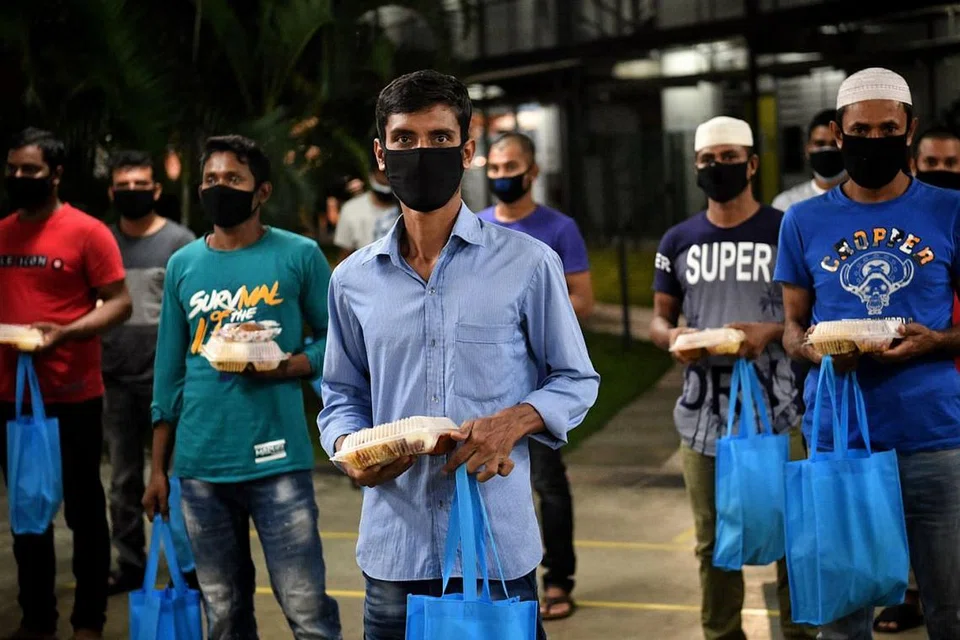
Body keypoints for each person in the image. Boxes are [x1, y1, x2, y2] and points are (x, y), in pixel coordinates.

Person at [317, 69, 600, 640]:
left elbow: (576, 378)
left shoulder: (529, 264)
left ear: (467, 151)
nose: (422, 152)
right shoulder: (351, 281)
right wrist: (349, 448)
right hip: (395, 548)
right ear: (381, 154)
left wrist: (514, 421)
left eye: (440, 138)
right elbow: (341, 394)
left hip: (494, 550)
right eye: (405, 139)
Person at [775, 67, 960, 640]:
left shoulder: (951, 209)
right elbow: (791, 327)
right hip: (839, 438)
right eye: (860, 130)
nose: (874, 140)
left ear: (910, 130)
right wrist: (818, 351)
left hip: (935, 438)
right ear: (838, 132)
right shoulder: (802, 220)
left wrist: (936, 341)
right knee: (843, 618)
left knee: (951, 610)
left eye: (887, 130)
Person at [143, 135, 342, 640]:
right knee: (224, 615)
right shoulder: (184, 264)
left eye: (233, 178)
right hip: (200, 466)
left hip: (278, 460)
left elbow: (339, 341)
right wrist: (159, 470)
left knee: (306, 610)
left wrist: (288, 365)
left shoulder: (299, 255)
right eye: (211, 179)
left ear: (262, 191)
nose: (220, 187)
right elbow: (169, 373)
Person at [650, 116, 815, 640]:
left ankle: (800, 633)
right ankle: (722, 633)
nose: (717, 167)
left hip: (779, 409)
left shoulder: (785, 229)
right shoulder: (678, 239)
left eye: (728, 158)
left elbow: (809, 318)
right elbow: (659, 318)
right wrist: (674, 338)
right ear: (695, 166)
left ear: (752, 164)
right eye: (707, 159)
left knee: (794, 535)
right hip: (704, 416)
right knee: (713, 542)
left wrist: (770, 332)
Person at [0, 128, 133, 640]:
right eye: (13, 168)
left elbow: (119, 303)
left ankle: (87, 622)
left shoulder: (86, 232)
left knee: (83, 512)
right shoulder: (3, 232)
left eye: (30, 170)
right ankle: (37, 620)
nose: (19, 177)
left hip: (72, 395)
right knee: (26, 513)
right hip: (11, 399)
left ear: (55, 174)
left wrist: (65, 332)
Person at [476, 131, 593, 621]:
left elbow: (582, 299)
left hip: (538, 389)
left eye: (511, 167)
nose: (502, 176)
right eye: (495, 168)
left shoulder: (558, 229)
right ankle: (486, 578)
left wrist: (530, 322)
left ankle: (558, 579)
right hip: (486, 387)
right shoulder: (477, 226)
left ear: (533, 171)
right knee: (486, 482)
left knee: (547, 485)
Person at [868, 123, 960, 635]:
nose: (943, 173)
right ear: (914, 162)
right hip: (924, 399)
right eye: (933, 164)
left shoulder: (952, 216)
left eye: (952, 164)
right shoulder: (905, 221)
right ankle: (909, 594)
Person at [99, 150, 196, 595]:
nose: (132, 192)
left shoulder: (180, 242)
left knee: (173, 479)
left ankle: (182, 565)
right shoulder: (102, 242)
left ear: (157, 190)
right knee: (123, 479)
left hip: (169, 385)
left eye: (141, 185)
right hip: (115, 380)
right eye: (124, 186)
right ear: (111, 192)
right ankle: (131, 563)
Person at [332, 145, 399, 262]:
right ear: (372, 174)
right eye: (383, 173)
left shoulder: (413, 208)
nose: (388, 178)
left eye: (393, 172)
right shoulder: (351, 210)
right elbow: (344, 258)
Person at [772, 109, 848, 211]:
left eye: (834, 144)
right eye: (820, 144)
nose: (827, 150)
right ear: (807, 150)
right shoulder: (786, 204)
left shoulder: (865, 201)